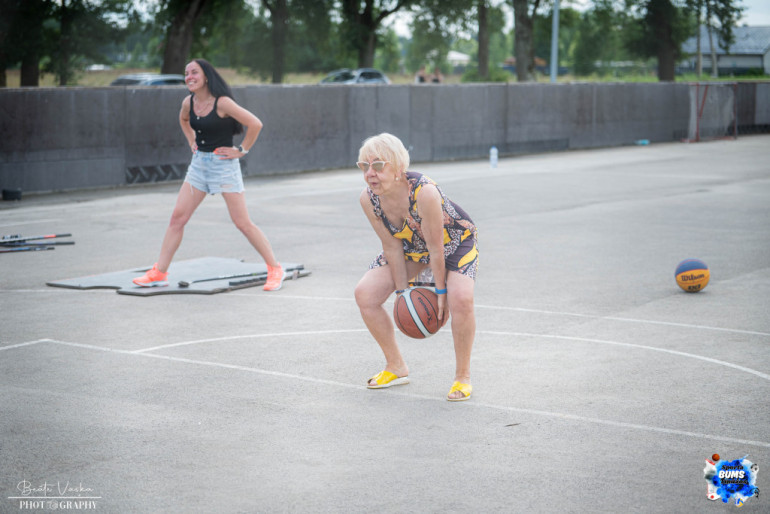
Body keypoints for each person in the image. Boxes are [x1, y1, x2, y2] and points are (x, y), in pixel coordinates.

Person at [133, 58, 284, 291]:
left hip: (223, 166)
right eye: (186, 73)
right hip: (199, 166)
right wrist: (191, 139)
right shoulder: (188, 102)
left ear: (206, 77)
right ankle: (159, 273)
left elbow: (255, 124)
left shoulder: (222, 102)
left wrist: (241, 150)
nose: (189, 77)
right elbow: (184, 119)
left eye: (194, 72)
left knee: (242, 223)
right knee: (177, 219)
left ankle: (275, 269)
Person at [354, 133, 479, 401]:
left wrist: (441, 293)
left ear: (399, 168)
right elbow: (391, 247)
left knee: (461, 298)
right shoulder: (369, 199)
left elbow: (436, 249)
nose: (370, 173)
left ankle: (462, 377)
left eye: (378, 165)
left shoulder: (425, 192)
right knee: (365, 294)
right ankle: (395, 366)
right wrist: (403, 293)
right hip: (411, 247)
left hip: (453, 242)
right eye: (364, 166)